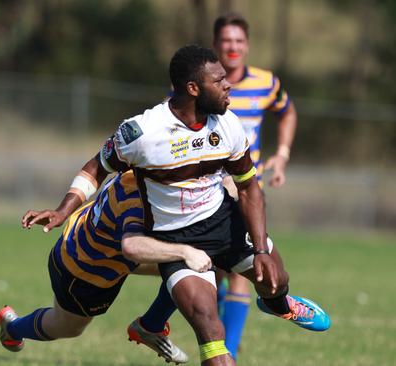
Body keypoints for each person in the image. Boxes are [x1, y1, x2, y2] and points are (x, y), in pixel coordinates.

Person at [23, 45, 328, 366]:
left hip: (221, 221)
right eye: (220, 81)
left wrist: (262, 252)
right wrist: (63, 210)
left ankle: (277, 303)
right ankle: (152, 325)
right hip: (174, 236)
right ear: (193, 88)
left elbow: (249, 186)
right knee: (210, 327)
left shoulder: (229, 124)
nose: (229, 86)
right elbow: (96, 167)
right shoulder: (143, 133)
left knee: (276, 279)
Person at [0, 171, 213, 364]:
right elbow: (133, 247)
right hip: (86, 270)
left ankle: (151, 325)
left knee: (194, 264)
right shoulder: (137, 195)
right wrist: (185, 251)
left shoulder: (141, 166)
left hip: (93, 244)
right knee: (67, 326)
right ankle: (13, 327)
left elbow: (97, 166)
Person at [211, 13, 298, 360]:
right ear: (216, 44)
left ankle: (227, 350)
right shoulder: (199, 81)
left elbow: (288, 112)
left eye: (238, 41)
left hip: (247, 192)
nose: (232, 47)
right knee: (210, 272)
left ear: (247, 46)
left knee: (243, 272)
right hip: (205, 192)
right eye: (226, 41)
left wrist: (282, 155)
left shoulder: (266, 83)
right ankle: (218, 336)